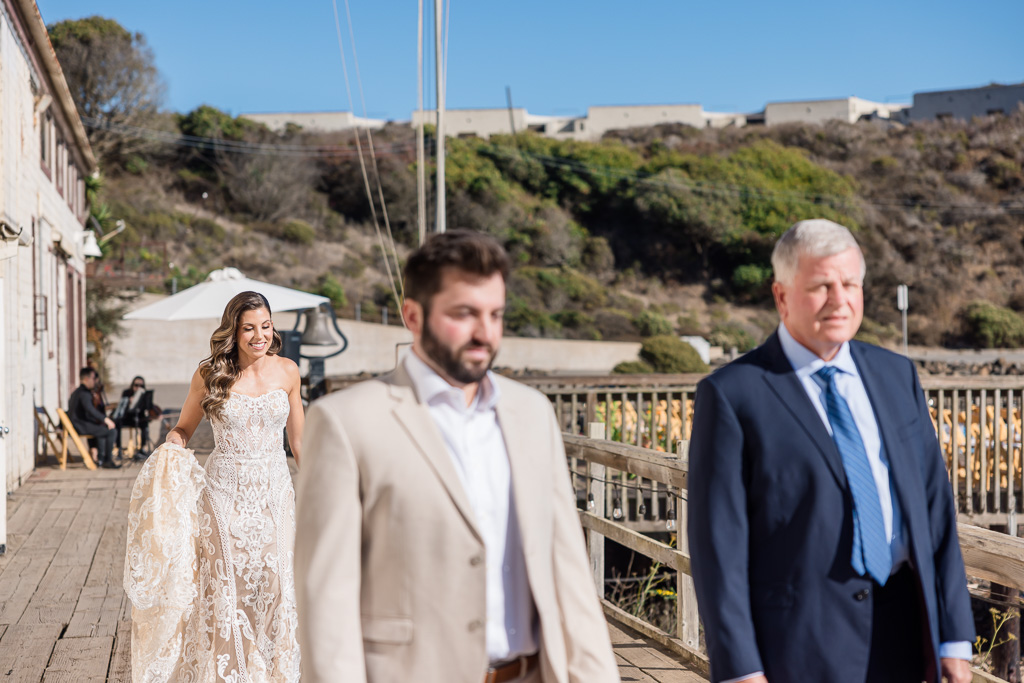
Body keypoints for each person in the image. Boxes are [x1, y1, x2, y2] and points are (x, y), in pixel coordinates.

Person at [295, 230, 619, 683]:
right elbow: (326, 598)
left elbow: (568, 572)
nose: (484, 333)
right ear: (413, 315)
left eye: (496, 314)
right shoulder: (345, 423)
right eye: (464, 314)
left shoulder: (532, 413)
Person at [687, 219, 975, 683]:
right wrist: (741, 669)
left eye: (850, 284)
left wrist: (954, 639)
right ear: (781, 296)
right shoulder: (732, 395)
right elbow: (718, 546)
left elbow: (936, 513)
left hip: (907, 635)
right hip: (797, 647)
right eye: (821, 286)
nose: (839, 300)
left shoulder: (896, 375)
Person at [130, 291, 304, 681]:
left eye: (265, 326)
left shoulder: (289, 371)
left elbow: (299, 443)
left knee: (278, 587)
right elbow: (184, 428)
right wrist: (172, 448)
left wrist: (321, 489)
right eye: (249, 328)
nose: (259, 336)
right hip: (224, 497)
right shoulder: (210, 374)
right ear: (234, 330)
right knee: (229, 589)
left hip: (276, 496)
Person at [68, 367, 119, 468]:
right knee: (111, 431)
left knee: (102, 430)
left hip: (78, 424)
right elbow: (90, 410)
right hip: (81, 426)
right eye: (93, 378)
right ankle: (107, 460)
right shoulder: (84, 394)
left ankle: (100, 458)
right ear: (87, 379)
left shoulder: (77, 392)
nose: (96, 381)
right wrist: (106, 419)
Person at [116, 376, 153, 457]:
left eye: (141, 386)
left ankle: (142, 448)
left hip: (139, 417)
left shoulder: (144, 394)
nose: (138, 387)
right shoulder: (126, 393)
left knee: (145, 424)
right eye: (136, 385)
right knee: (117, 423)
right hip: (128, 417)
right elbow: (122, 408)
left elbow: (149, 406)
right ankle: (118, 448)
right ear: (132, 385)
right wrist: (129, 402)